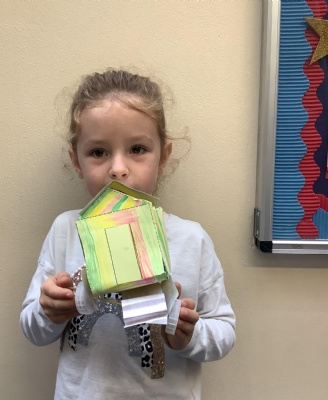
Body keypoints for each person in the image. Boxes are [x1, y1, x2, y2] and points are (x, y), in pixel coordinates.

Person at [20, 69, 236, 400]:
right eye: (98, 152)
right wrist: (47, 312)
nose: (118, 168)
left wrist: (188, 335)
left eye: (137, 149)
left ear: (163, 156)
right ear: (76, 161)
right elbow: (32, 329)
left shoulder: (192, 240)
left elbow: (224, 333)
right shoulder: (65, 231)